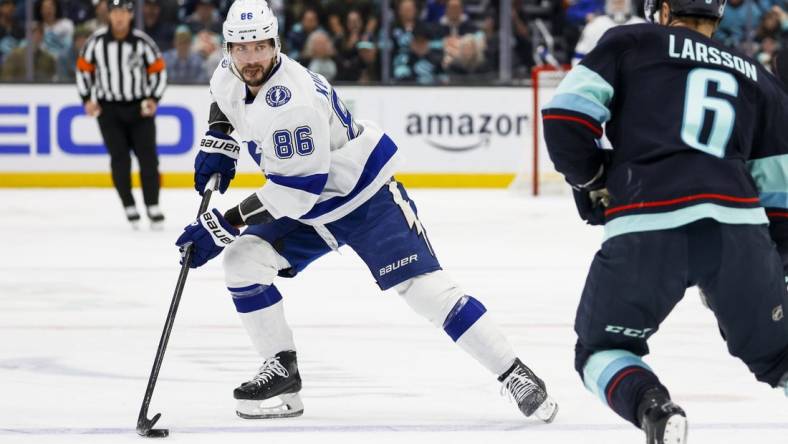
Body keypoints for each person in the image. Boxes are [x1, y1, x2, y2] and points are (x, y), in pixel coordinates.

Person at [175, 0, 559, 423]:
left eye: (260, 48)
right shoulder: (229, 70)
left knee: (425, 292)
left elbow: (297, 192)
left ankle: (513, 372)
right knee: (243, 263)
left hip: (362, 197)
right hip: (313, 204)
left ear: (277, 45)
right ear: (229, 49)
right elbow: (222, 100)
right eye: (241, 48)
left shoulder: (291, 103)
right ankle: (282, 369)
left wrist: (223, 224)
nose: (250, 58)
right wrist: (219, 139)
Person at [542, 0, 788, 442]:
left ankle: (653, 407)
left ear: (665, 7)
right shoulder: (759, 76)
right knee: (780, 356)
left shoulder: (630, 41)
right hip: (740, 231)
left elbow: (565, 117)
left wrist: (594, 178)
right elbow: (780, 195)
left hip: (647, 220)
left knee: (601, 349)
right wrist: (773, 267)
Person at [76, 0, 167, 229]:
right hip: (109, 111)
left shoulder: (142, 43)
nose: (118, 17)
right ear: (109, 15)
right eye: (114, 12)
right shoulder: (95, 43)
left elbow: (158, 71)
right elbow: (83, 70)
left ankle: (152, 205)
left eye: (123, 12)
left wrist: (153, 98)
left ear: (130, 15)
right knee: (120, 159)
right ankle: (128, 205)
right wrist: (87, 99)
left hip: (139, 109)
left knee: (148, 159)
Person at [572, 0, 644, 65]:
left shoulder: (641, 25)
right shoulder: (595, 24)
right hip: (600, 73)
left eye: (621, 2)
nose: (618, 5)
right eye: (615, 2)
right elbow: (580, 56)